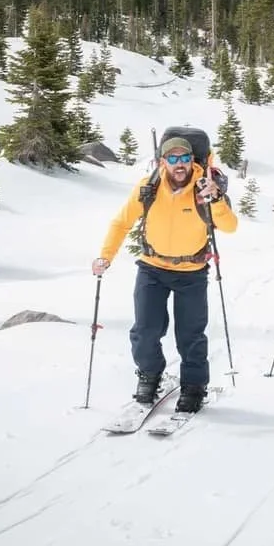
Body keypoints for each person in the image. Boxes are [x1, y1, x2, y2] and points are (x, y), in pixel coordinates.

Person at [93, 134, 238, 413]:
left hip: (192, 272)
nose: (180, 164)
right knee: (145, 330)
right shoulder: (149, 186)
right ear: (163, 161)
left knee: (191, 335)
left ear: (191, 160)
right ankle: (150, 375)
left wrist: (216, 199)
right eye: (173, 159)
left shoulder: (204, 187)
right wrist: (105, 256)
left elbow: (230, 227)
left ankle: (194, 386)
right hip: (152, 268)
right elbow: (122, 222)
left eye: (185, 158)